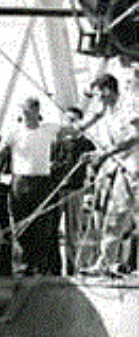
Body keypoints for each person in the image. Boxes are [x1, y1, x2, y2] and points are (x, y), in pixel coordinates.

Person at [0, 97, 61, 275]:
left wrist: (98, 115)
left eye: (27, 110)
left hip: (42, 182)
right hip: (20, 182)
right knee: (20, 225)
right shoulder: (14, 131)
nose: (24, 114)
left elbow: (75, 130)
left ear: (36, 111)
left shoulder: (49, 129)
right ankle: (23, 267)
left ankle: (40, 267)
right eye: (23, 110)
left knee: (42, 226)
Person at [80, 73, 138, 276]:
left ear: (107, 90)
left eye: (97, 94)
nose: (96, 99)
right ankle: (104, 263)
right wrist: (97, 154)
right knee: (114, 218)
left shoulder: (129, 106)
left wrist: (106, 154)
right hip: (124, 169)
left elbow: (136, 135)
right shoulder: (108, 112)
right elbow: (111, 144)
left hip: (136, 167)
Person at [50, 106, 96, 274]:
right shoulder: (56, 143)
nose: (70, 124)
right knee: (52, 230)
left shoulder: (87, 144)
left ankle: (71, 268)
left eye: (73, 120)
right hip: (56, 191)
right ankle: (53, 269)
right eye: (67, 120)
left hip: (75, 191)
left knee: (72, 231)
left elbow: (95, 166)